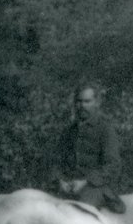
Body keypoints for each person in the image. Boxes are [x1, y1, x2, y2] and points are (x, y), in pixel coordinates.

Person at [51, 83, 126, 214]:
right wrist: (61, 180)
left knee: (79, 211)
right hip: (70, 185)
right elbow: (57, 161)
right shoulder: (69, 131)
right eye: (79, 101)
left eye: (87, 101)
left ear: (96, 103)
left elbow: (113, 165)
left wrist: (85, 182)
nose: (82, 106)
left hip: (97, 187)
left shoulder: (105, 129)